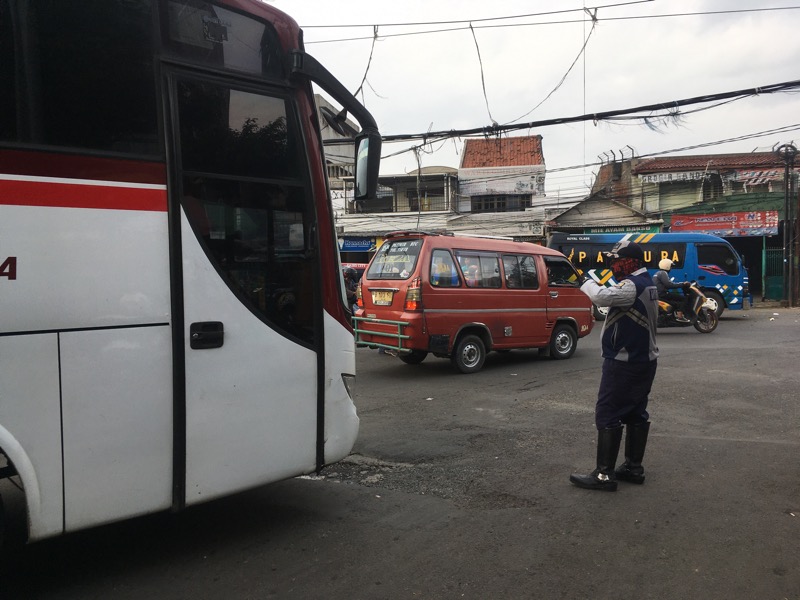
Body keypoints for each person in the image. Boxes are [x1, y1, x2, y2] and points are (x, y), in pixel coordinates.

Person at [570, 240, 659, 492]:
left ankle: (603, 474)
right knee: (635, 412)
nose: (613, 265)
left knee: (608, 412)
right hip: (645, 361)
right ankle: (633, 467)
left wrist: (584, 280)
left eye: (616, 260)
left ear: (630, 261)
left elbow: (599, 295)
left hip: (624, 362)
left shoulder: (632, 285)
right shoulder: (647, 283)